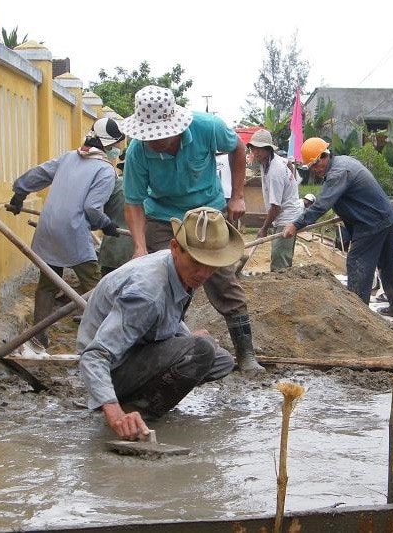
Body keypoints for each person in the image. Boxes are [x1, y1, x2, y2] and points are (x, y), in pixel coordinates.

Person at [119, 85, 264, 374]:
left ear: (176, 124)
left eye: (161, 134)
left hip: (207, 215)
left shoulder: (207, 127)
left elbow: (237, 147)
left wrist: (237, 195)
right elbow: (133, 201)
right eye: (150, 136)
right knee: (166, 284)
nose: (155, 141)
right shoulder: (138, 151)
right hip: (162, 219)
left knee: (222, 279)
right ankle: (162, 349)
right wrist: (139, 248)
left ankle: (246, 355)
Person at [77, 207, 242, 440]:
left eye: (211, 264)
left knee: (220, 360)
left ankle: (138, 401)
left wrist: (186, 338)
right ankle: (136, 412)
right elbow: (95, 356)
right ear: (175, 248)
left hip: (137, 350)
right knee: (201, 351)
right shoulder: (147, 293)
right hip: (113, 367)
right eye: (197, 262)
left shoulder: (180, 271)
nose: (204, 273)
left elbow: (167, 316)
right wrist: (113, 413)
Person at [8, 117, 125, 349]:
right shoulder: (105, 171)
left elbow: (37, 174)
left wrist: (18, 195)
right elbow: (92, 208)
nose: (117, 151)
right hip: (72, 231)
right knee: (95, 285)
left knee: (48, 283)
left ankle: (37, 336)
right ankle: (104, 339)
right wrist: (106, 224)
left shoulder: (68, 157)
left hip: (48, 228)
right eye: (117, 145)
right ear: (109, 145)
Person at [283, 138, 393, 317]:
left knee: (357, 261)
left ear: (323, 158)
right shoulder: (343, 163)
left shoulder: (337, 173)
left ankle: (357, 316)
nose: (314, 171)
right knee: (387, 263)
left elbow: (321, 205)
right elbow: (346, 200)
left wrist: (296, 224)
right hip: (385, 216)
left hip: (371, 222)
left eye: (314, 166)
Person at [248, 129, 303, 271]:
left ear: (268, 149)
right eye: (254, 148)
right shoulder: (271, 161)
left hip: (287, 218)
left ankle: (283, 290)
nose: (256, 152)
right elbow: (288, 163)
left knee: (279, 262)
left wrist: (264, 228)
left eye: (260, 148)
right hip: (284, 215)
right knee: (280, 257)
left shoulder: (274, 171)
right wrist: (291, 183)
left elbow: (276, 207)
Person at [98, 152, 135, 277]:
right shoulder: (147, 189)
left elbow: (98, 211)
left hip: (111, 248)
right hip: (133, 250)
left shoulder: (113, 184)